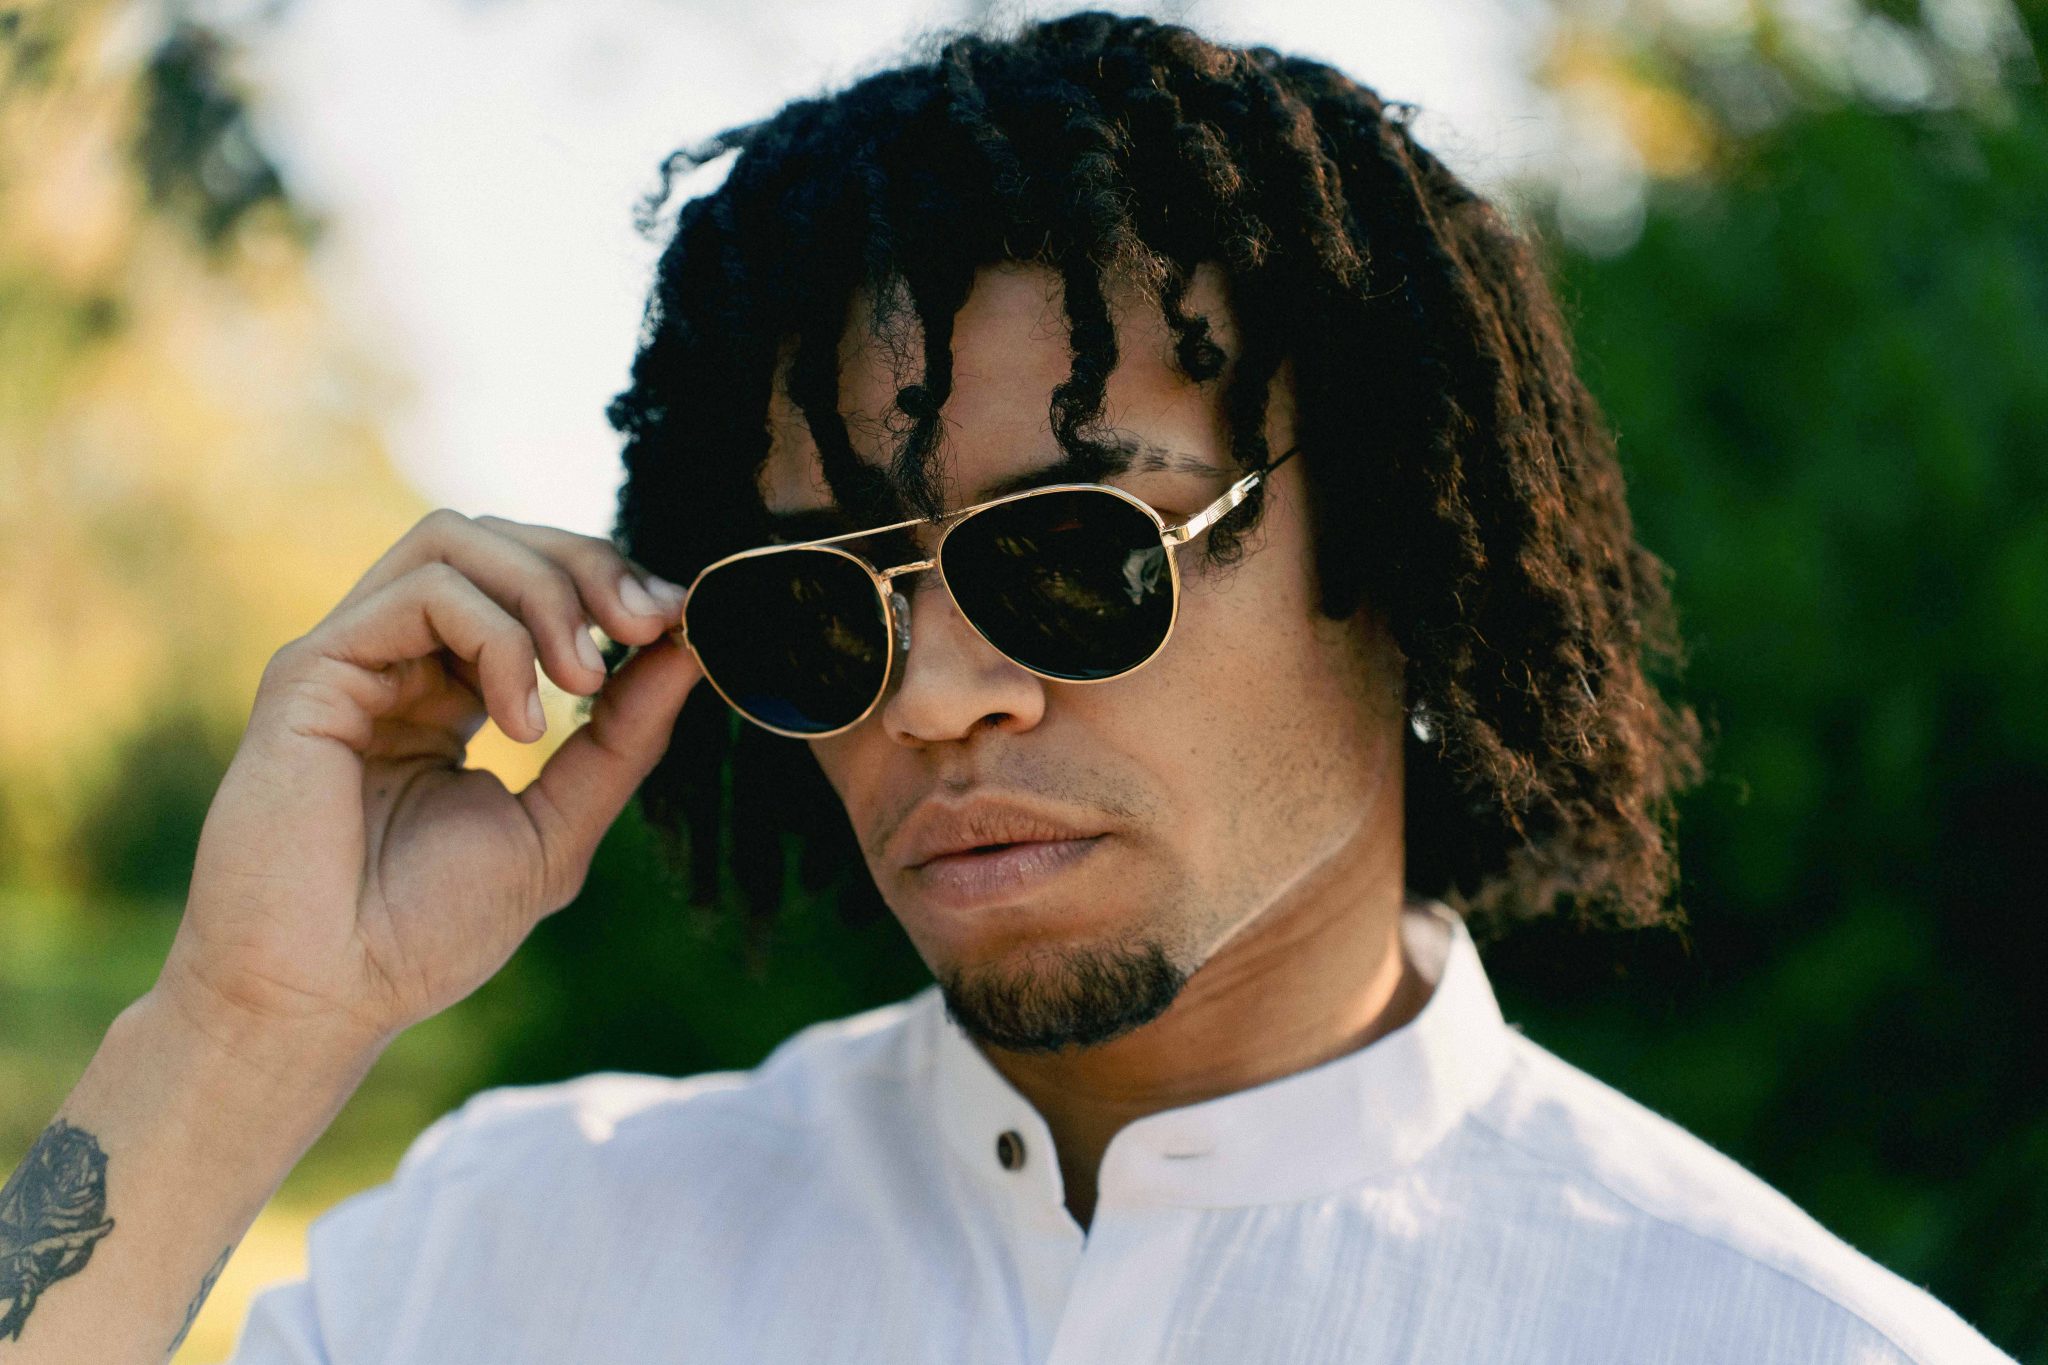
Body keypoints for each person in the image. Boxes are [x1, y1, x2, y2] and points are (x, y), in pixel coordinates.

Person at [0, 12, 2014, 1362]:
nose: (938, 698)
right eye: (823, 605)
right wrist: (238, 1029)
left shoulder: (1775, 1344)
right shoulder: (514, 1259)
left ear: (1392, 546)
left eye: (1070, 556)